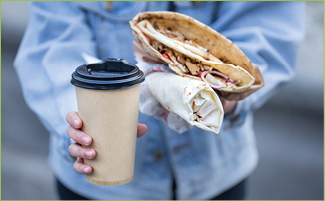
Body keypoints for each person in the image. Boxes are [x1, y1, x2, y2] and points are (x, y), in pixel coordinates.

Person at [14, 1, 304, 200]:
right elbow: (53, 39)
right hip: (96, 189)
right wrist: (81, 117)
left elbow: (268, 18)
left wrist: (227, 94)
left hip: (216, 177)